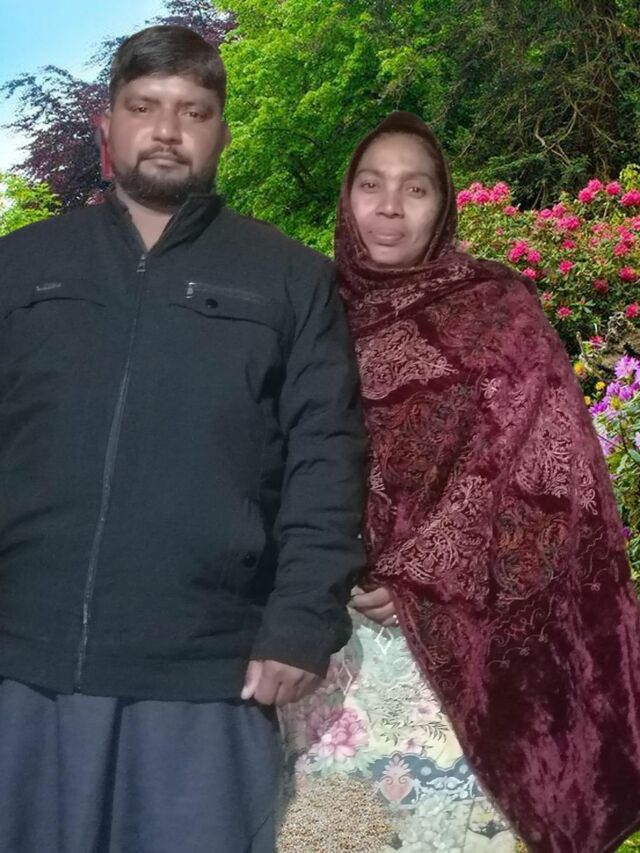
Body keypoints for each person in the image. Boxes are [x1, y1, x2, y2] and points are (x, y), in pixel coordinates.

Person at [0, 26, 366, 853]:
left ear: (222, 133)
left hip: (205, 678)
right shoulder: (19, 268)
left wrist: (302, 619)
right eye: (145, 107)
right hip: (21, 664)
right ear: (107, 124)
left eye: (193, 112)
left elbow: (326, 458)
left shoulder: (291, 279)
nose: (167, 130)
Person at [279, 113, 640, 853]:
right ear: (347, 197)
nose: (389, 207)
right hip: (331, 638)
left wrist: (419, 569)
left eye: (415, 189)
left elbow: (542, 460)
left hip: (467, 646)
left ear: (443, 204)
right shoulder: (311, 310)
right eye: (371, 185)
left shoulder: (494, 305)